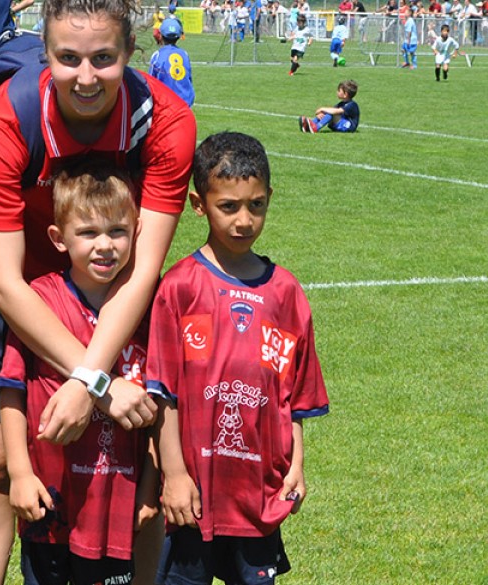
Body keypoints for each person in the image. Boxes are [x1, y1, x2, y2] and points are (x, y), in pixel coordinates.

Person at [0, 0, 198, 582]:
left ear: (131, 53)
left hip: (117, 287)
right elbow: (3, 280)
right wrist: (94, 379)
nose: (85, 77)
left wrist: (90, 378)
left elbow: (144, 268)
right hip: (14, 285)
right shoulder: (2, 121)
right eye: (68, 58)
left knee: (141, 459)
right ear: (46, 55)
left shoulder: (167, 123)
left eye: (103, 59)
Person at [147, 131, 330, 585]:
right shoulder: (180, 287)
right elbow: (162, 395)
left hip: (257, 495)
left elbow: (295, 397)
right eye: (228, 206)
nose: (244, 220)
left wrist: (297, 466)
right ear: (198, 204)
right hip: (194, 495)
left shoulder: (286, 293)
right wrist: (173, 474)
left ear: (270, 199)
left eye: (257, 205)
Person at [0, 159, 159, 585]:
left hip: (116, 506)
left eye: (117, 231)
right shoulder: (40, 301)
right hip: (49, 499)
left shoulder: (145, 308)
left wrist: (150, 486)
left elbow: (161, 404)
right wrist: (18, 472)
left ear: (138, 230)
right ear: (58, 237)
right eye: (88, 233)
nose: (104, 246)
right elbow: (11, 390)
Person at [149, 18, 195, 107]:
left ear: (161, 35)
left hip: (166, 106)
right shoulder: (184, 54)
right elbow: (189, 79)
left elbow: (151, 83)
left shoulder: (157, 55)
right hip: (184, 104)